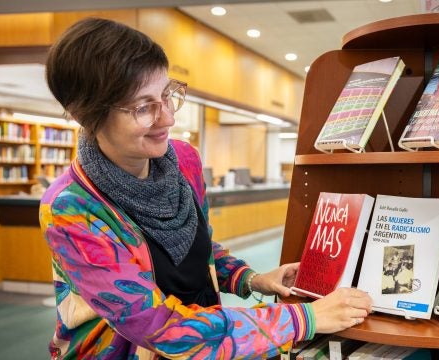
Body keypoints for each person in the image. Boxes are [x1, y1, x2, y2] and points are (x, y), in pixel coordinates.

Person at [40, 17, 372, 359]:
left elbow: (197, 246)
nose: (168, 118)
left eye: (167, 95)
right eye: (143, 107)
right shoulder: (70, 209)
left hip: (209, 336)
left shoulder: (183, 159)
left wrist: (250, 279)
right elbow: (161, 328)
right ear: (87, 116)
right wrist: (304, 318)